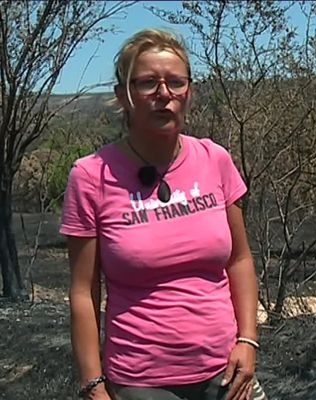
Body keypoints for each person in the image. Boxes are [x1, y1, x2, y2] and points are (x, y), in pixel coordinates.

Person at [60, 28, 266, 400]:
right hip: (142, 381)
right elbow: (83, 292)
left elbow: (240, 258)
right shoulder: (91, 175)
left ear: (189, 92)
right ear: (123, 95)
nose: (163, 94)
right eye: (147, 83)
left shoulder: (214, 159)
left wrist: (248, 340)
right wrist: (92, 384)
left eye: (175, 82)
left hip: (226, 373)